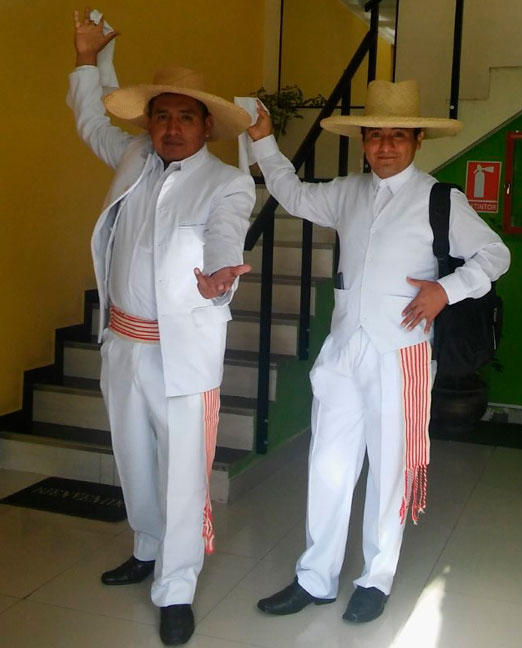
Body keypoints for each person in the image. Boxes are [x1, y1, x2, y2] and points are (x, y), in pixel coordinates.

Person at [247, 79, 510, 624]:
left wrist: (447, 290)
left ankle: (375, 578)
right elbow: (293, 194)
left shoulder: (439, 200)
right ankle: (315, 577)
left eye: (398, 135)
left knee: (390, 468)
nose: (385, 145)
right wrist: (263, 140)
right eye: (375, 135)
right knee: (328, 464)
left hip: (403, 353)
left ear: (417, 140)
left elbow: (494, 254)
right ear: (363, 141)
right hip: (345, 347)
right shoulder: (347, 192)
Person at [68, 9, 255, 646]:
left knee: (182, 476)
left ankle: (176, 588)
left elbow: (225, 235)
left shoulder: (227, 185)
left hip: (183, 356)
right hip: (123, 344)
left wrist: (221, 274)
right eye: (162, 116)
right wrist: (87, 60)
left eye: (185, 117)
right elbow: (91, 120)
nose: (172, 129)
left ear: (206, 126)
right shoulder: (133, 155)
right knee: (133, 458)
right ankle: (147, 548)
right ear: (149, 123)